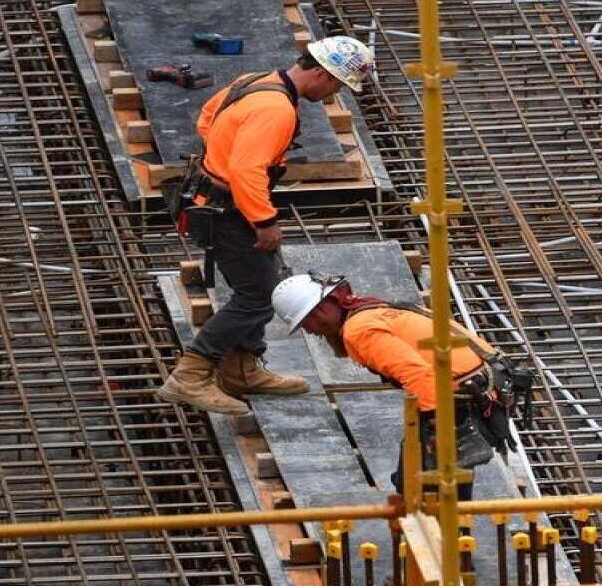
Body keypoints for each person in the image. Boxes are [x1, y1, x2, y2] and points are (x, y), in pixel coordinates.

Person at [158, 36, 376, 416]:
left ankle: (241, 368)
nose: (333, 93)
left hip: (211, 200)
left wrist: (225, 155)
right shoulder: (276, 109)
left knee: (264, 285)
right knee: (256, 297)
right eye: (337, 85)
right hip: (230, 211)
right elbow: (247, 170)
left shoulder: (255, 80)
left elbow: (207, 118)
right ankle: (190, 374)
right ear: (322, 74)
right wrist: (264, 222)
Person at [271, 272, 530, 499]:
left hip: (460, 396)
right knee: (434, 479)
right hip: (482, 386)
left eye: (306, 323)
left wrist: (436, 425)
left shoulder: (359, 330)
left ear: (320, 310)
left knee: (421, 483)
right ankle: (453, 534)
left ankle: (448, 542)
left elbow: (420, 376)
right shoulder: (374, 311)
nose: (310, 331)